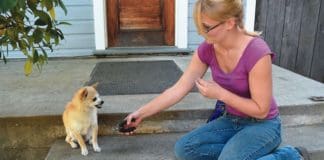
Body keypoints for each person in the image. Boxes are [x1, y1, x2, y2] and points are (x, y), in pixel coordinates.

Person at [123, 0, 310, 159]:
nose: (200, 33)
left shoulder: (257, 53)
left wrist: (221, 94)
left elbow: (261, 111)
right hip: (231, 120)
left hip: (264, 125)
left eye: (206, 27)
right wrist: (141, 113)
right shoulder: (207, 49)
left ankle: (289, 155)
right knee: (184, 149)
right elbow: (178, 89)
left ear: (229, 23)